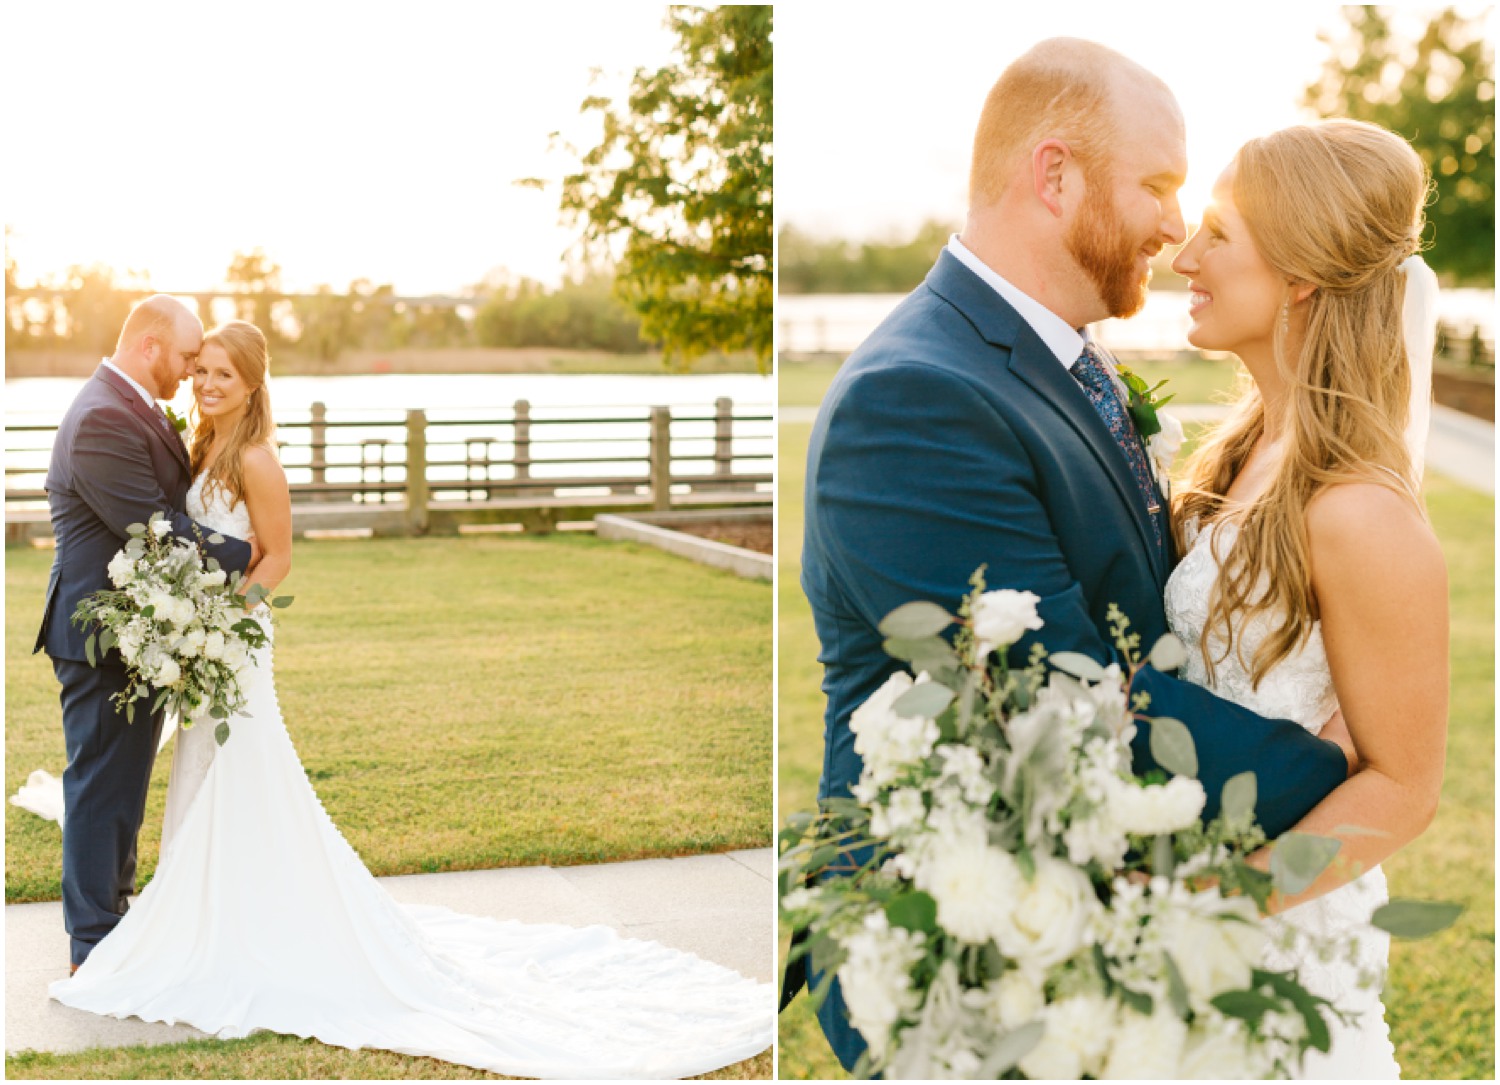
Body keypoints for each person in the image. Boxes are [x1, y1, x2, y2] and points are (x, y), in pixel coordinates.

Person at [789, 38, 1353, 1071]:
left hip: (1087, 925)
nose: (1177, 227)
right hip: (962, 958)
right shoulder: (915, 397)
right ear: (1054, 175)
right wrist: (1342, 768)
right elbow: (1064, 704)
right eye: (1157, 185)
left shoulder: (1069, 358)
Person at [41, 321, 773, 1078]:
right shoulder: (199, 447)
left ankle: (234, 928)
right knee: (196, 786)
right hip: (200, 646)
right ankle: (195, 922)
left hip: (232, 649)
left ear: (254, 383)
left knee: (241, 781)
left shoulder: (256, 457)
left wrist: (224, 623)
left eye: (223, 372)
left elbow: (279, 556)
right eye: (201, 371)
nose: (207, 382)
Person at [1164, 119, 1447, 1078]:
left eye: (1217, 233)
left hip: (1268, 939)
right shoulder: (1238, 454)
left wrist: (1209, 907)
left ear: (1299, 277)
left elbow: (1403, 788)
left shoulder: (1359, 508)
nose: (1183, 255)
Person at [33, 295, 255, 975]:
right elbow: (155, 527)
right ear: (151, 347)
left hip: (138, 632)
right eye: (188, 357)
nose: (192, 372)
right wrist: (253, 552)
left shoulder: (133, 405)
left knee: (121, 784)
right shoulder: (103, 416)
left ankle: (113, 922)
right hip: (102, 636)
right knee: (101, 786)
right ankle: (93, 945)